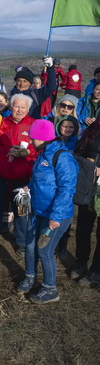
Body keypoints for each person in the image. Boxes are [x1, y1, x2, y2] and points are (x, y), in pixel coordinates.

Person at [16, 119, 78, 303]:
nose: (30, 141)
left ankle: (50, 289)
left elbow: (67, 189)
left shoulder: (62, 157)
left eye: (33, 137)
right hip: (38, 211)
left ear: (43, 138)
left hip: (55, 215)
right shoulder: (43, 154)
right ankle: (30, 277)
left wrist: (56, 216)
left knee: (44, 250)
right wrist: (28, 188)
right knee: (30, 245)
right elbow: (40, 181)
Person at [0, 94, 37, 252]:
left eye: (23, 107)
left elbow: (40, 148)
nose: (19, 110)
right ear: (10, 107)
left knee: (22, 211)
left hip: (22, 177)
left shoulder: (34, 125)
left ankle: (21, 241)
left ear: (28, 109)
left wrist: (29, 152)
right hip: (0, 174)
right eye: (17, 106)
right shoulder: (1, 123)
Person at [69, 118, 100, 285]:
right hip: (88, 188)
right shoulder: (91, 133)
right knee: (83, 228)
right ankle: (81, 262)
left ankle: (96, 270)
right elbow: (78, 153)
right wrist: (88, 165)